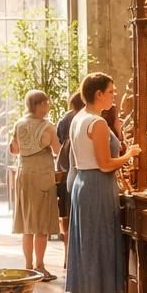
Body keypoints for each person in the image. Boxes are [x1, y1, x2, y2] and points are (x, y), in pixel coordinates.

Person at [65, 73, 139, 293]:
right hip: (96, 185)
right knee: (98, 247)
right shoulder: (95, 123)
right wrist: (129, 155)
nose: (114, 95)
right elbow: (105, 164)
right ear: (98, 94)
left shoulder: (78, 118)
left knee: (89, 247)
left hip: (83, 183)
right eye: (111, 91)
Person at [10, 89, 63, 281]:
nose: (48, 106)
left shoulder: (19, 124)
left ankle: (28, 266)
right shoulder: (48, 127)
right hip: (42, 175)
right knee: (41, 225)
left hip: (24, 174)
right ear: (39, 105)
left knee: (27, 223)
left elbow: (14, 149)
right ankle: (40, 266)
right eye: (46, 103)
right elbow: (58, 150)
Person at [55, 91, 85, 264]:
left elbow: (58, 141)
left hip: (67, 171)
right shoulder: (86, 119)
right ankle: (75, 259)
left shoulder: (66, 119)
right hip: (79, 170)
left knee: (67, 215)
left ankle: (68, 257)